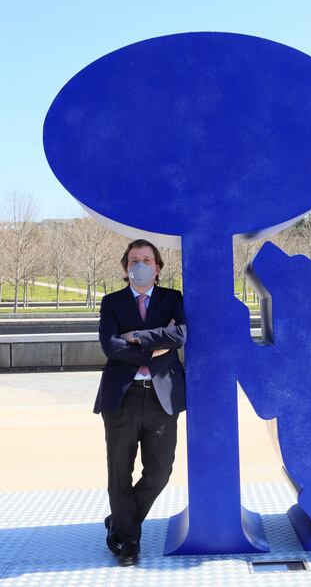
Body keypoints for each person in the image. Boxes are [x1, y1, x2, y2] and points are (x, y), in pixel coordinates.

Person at [93, 239, 186, 566]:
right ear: (125, 267)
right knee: (119, 471)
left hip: (162, 396)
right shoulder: (112, 302)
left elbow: (180, 337)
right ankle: (129, 540)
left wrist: (135, 337)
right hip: (121, 397)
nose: (141, 265)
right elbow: (111, 347)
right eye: (134, 260)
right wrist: (155, 344)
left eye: (147, 259)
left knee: (160, 472)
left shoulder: (173, 299)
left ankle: (120, 521)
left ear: (158, 268)